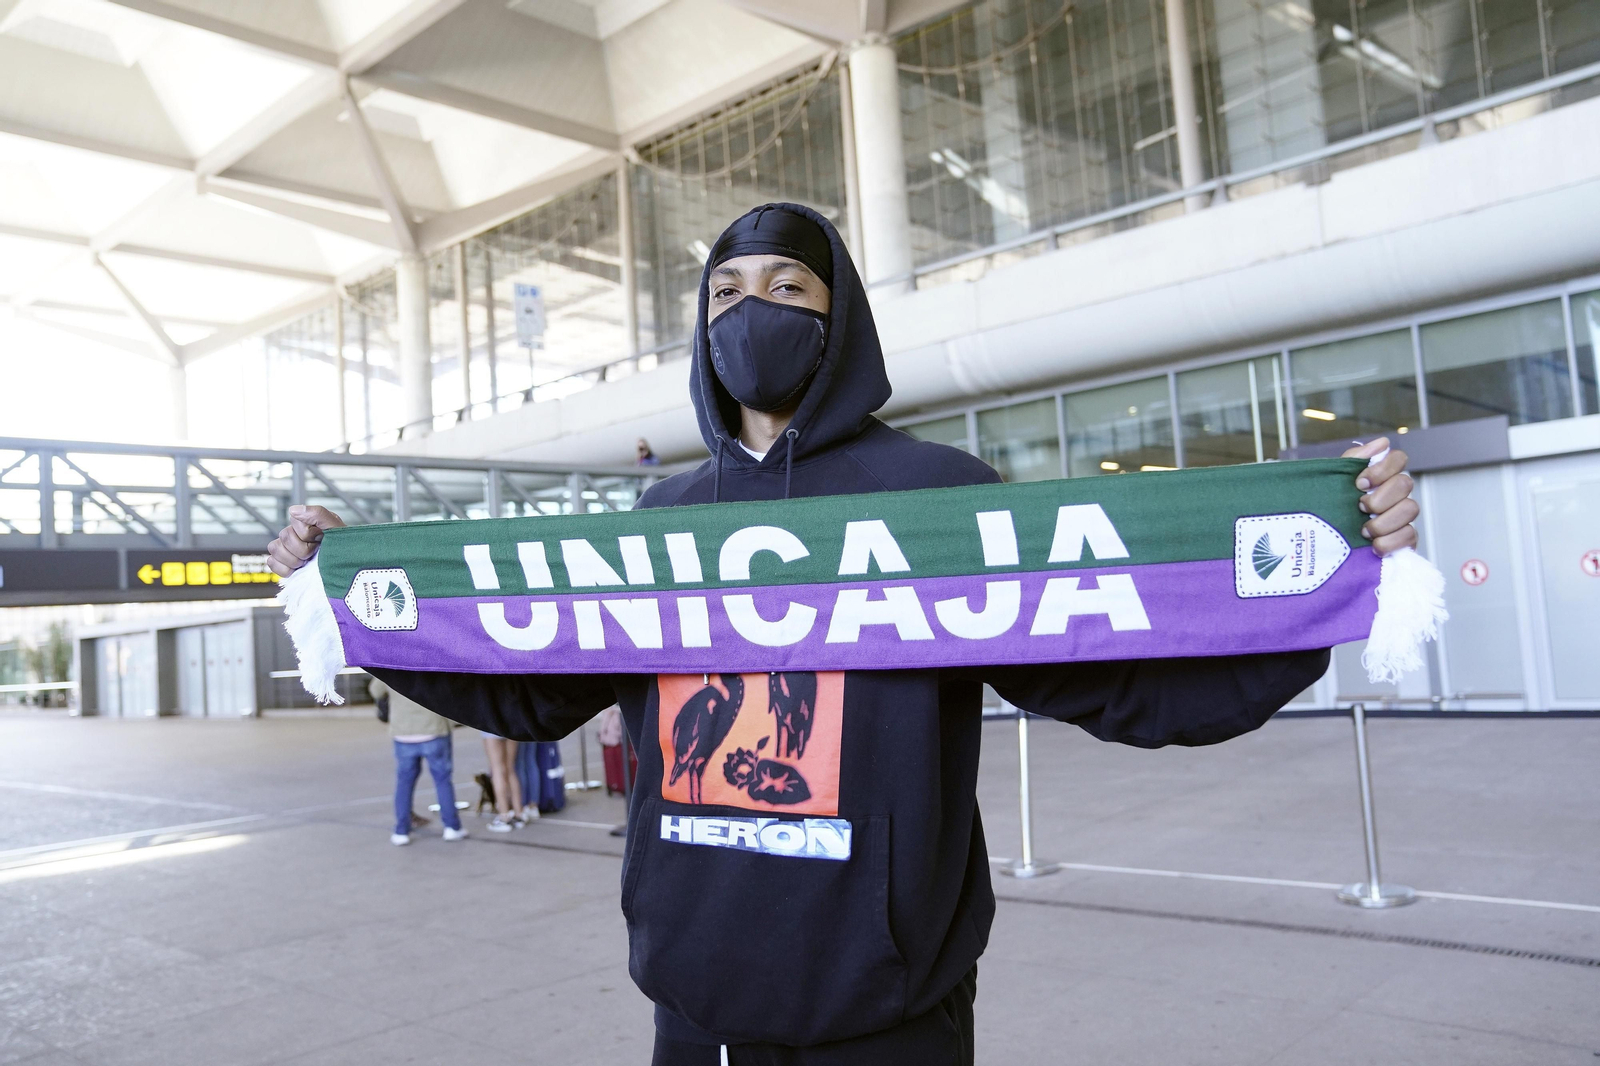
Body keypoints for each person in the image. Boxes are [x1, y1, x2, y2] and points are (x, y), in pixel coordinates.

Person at [270, 203, 1420, 1064]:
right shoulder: (661, 519)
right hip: (695, 991)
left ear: (838, 314)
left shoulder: (933, 497)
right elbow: (531, 694)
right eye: (725, 293)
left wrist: (1316, 591)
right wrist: (352, 598)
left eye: (784, 286)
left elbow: (1116, 679)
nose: (751, 310)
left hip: (888, 1003)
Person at [369, 676, 468, 846]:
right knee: (442, 780)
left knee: (404, 783)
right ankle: (452, 827)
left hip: (403, 732)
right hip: (434, 729)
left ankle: (401, 831)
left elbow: (375, 690)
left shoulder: (391, 662)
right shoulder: (433, 661)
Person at [480, 730, 525, 832]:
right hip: (509, 726)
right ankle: (519, 814)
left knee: (497, 770)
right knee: (510, 769)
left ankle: (504, 816)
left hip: (491, 729)